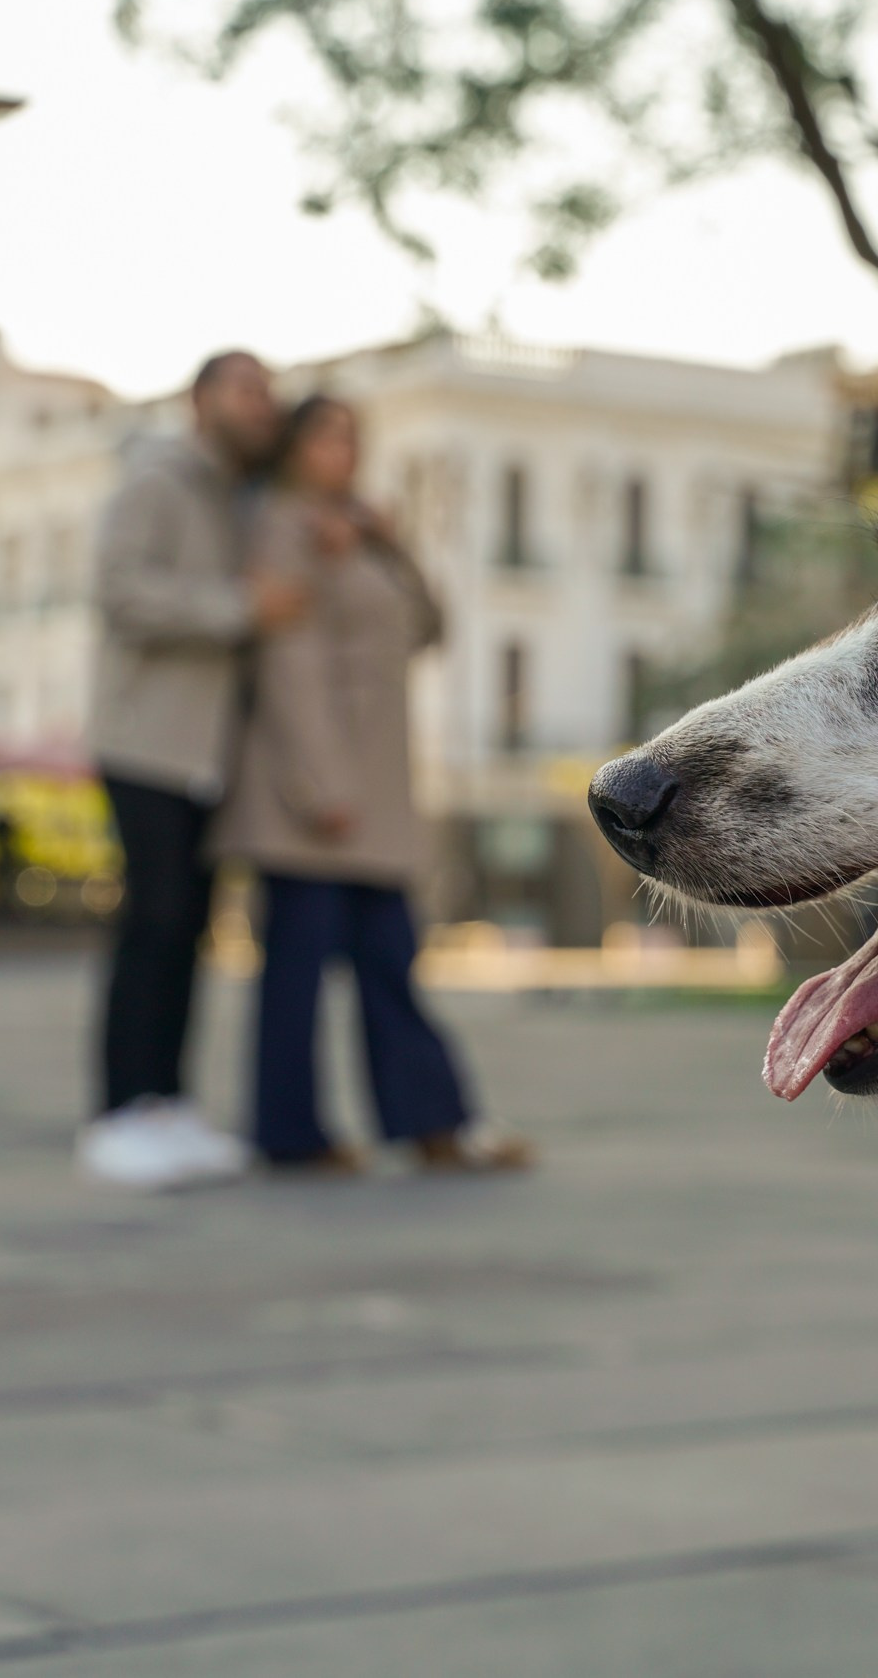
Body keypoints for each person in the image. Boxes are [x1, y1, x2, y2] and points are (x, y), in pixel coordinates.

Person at [214, 395, 534, 1175]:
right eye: (327, 435)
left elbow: (428, 626)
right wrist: (318, 786)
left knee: (390, 959)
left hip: (373, 794)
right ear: (293, 445)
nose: (344, 450)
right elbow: (287, 666)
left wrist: (390, 543)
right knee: (297, 974)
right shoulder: (281, 526)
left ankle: (434, 1124)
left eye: (353, 437)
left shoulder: (358, 532)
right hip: (312, 794)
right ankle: (292, 1136)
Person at [78, 351, 305, 1190]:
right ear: (200, 399)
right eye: (246, 390)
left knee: (190, 928)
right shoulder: (156, 478)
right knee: (154, 921)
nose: (263, 406)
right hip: (146, 741)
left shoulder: (236, 494)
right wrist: (240, 607)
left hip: (206, 753)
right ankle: (118, 1113)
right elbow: (120, 592)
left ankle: (167, 1106)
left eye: (268, 393)